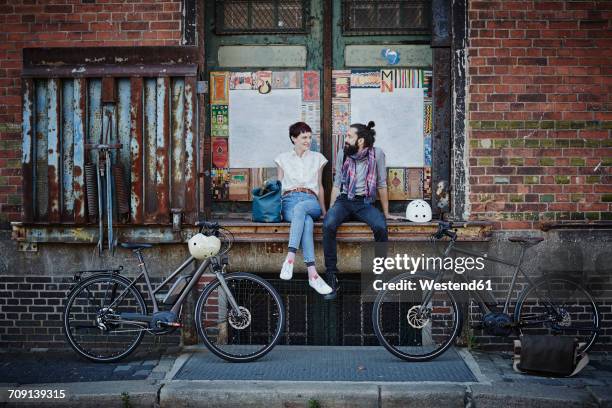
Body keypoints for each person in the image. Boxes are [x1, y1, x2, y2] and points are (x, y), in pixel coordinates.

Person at [322, 121, 401, 300]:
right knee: (328, 225)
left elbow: (381, 183)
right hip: (344, 201)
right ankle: (332, 276)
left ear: (360, 140)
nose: (346, 139)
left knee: (381, 226)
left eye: (349, 136)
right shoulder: (343, 153)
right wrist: (330, 210)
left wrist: (386, 213)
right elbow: (336, 184)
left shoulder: (377, 154)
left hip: (365, 203)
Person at [274, 122, 333, 295]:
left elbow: (320, 186)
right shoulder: (282, 158)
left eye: (309, 137)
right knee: (306, 221)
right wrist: (277, 210)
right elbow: (279, 186)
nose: (308, 140)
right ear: (294, 138)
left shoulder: (318, 158)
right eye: (303, 137)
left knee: (303, 210)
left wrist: (324, 212)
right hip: (289, 201)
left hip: (310, 200)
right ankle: (313, 274)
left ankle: (290, 258)